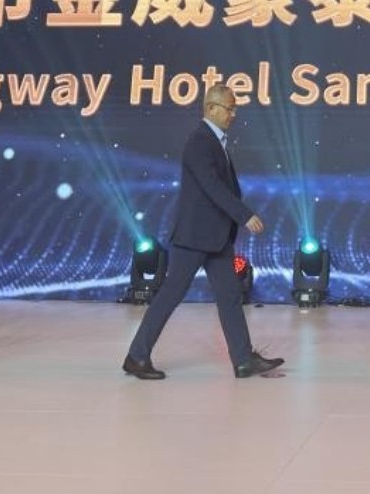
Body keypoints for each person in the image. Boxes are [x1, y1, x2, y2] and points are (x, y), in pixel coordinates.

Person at [121, 84, 283, 380]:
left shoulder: (215, 141)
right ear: (210, 108)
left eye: (234, 109)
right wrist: (244, 214)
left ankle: (243, 360)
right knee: (171, 295)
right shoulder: (200, 141)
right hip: (194, 237)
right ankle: (137, 356)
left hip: (215, 238)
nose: (233, 114)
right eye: (229, 108)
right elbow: (212, 187)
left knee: (230, 296)